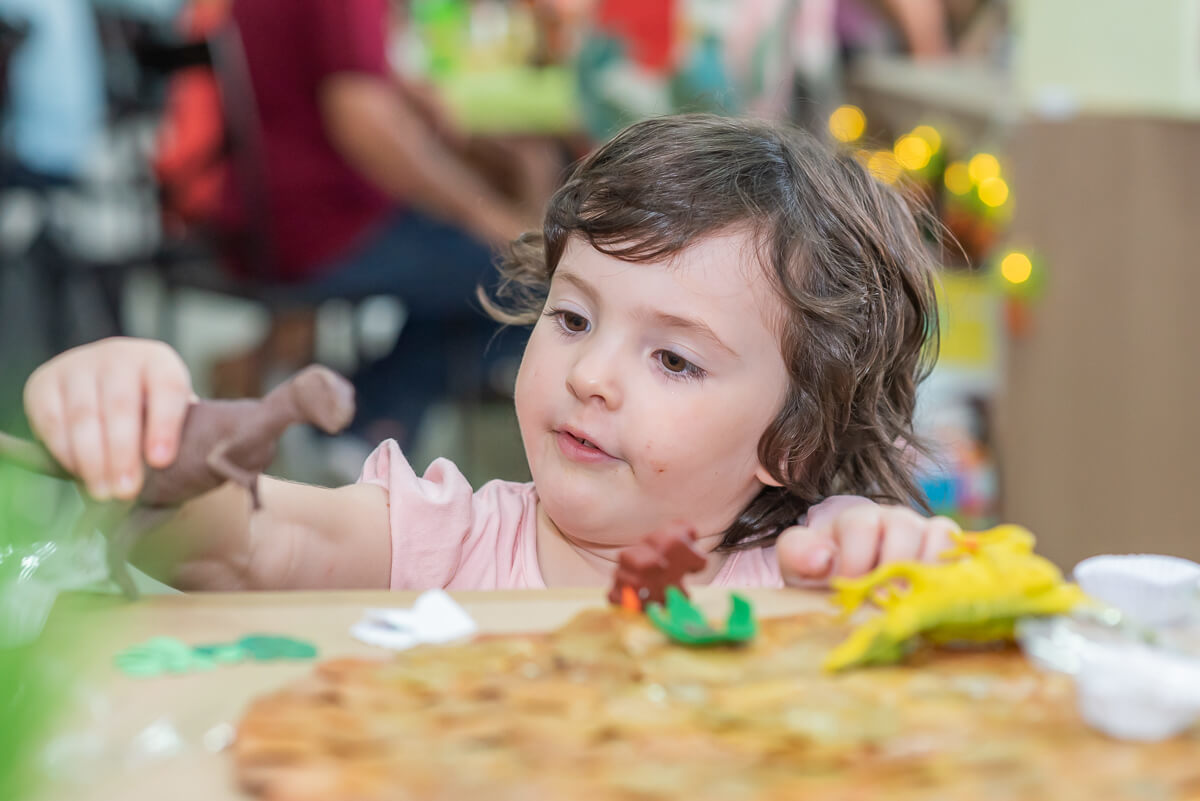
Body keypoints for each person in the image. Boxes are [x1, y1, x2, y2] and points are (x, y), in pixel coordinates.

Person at [21, 114, 959, 592]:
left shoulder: (815, 572)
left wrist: (895, 560)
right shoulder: (453, 543)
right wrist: (146, 436)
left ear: (791, 441)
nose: (589, 375)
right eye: (574, 318)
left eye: (673, 360)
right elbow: (250, 543)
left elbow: (947, 632)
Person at [205, 0, 538, 443]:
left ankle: (350, 417)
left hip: (262, 212)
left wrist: (398, 87)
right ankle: (357, 426)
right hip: (325, 224)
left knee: (489, 261)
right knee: (540, 283)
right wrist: (484, 214)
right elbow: (359, 118)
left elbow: (323, 73)